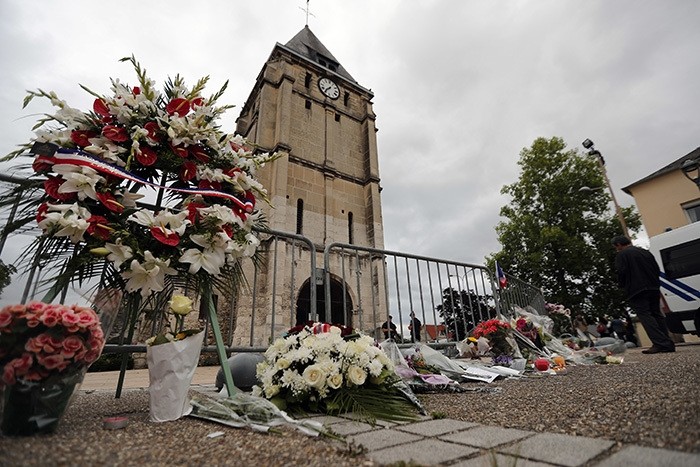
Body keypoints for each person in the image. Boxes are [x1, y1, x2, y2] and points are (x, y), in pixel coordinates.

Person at [611, 236, 675, 354]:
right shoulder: (645, 252)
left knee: (645, 315)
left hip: (636, 288)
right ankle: (667, 341)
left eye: (616, 247)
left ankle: (660, 343)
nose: (616, 249)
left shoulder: (622, 255)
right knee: (657, 314)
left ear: (619, 244)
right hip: (653, 286)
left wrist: (622, 285)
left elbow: (621, 272)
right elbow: (656, 268)